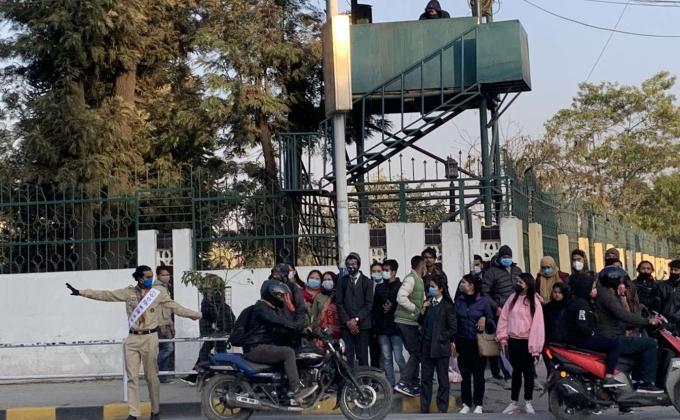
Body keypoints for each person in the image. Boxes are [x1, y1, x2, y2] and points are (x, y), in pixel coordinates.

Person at [66, 265, 202, 420]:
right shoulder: (128, 292)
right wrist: (81, 292)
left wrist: (195, 315)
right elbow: (106, 295)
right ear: (139, 278)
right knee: (132, 378)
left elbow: (176, 307)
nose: (151, 279)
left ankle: (155, 410)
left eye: (151, 276)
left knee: (152, 377)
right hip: (132, 339)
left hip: (150, 338)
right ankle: (134, 413)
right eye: (147, 277)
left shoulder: (158, 293)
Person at [593, 266, 663, 393]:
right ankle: (646, 382)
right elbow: (623, 315)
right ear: (613, 280)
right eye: (620, 280)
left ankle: (635, 380)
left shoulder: (607, 293)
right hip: (612, 337)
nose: (622, 283)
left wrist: (638, 323)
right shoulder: (607, 295)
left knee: (640, 345)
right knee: (650, 344)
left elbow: (617, 319)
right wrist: (648, 321)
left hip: (612, 333)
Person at [243, 281, 316, 402]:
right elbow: (276, 321)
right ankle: (296, 390)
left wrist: (303, 332)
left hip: (261, 346)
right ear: (273, 294)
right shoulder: (261, 307)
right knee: (288, 353)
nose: (282, 298)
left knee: (290, 350)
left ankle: (284, 388)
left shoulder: (270, 308)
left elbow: (280, 327)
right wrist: (294, 325)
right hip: (255, 347)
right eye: (281, 295)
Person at [565, 274, 625, 388]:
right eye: (592, 287)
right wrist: (592, 333)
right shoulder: (581, 303)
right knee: (615, 345)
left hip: (577, 337)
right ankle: (609, 376)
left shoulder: (577, 301)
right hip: (581, 339)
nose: (594, 289)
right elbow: (581, 324)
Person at [496, 273, 544, 415]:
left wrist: (535, 348)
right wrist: (502, 337)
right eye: (517, 281)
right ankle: (514, 402)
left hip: (527, 342)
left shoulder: (535, 302)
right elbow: (504, 318)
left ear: (528, 285)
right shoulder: (512, 298)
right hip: (513, 341)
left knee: (528, 373)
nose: (518, 284)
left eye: (521, 282)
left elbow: (538, 326)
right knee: (516, 372)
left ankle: (528, 402)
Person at [182, 274, 235, 386]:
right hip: (218, 330)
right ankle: (195, 376)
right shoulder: (218, 296)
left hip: (217, 330)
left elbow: (212, 313)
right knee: (211, 352)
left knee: (211, 353)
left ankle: (222, 377)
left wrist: (213, 325)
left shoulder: (212, 298)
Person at [455, 274, 494, 414]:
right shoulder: (458, 301)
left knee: (478, 375)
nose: (461, 284)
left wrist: (485, 319)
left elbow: (491, 320)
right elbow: (454, 321)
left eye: (464, 282)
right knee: (464, 375)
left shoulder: (483, 301)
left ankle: (478, 404)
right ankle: (466, 403)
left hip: (478, 342)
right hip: (462, 342)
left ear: (471, 285)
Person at [482, 244, 520, 383]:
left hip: (517, 312)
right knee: (503, 343)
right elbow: (484, 292)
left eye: (509, 256)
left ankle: (520, 372)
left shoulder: (517, 270)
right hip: (500, 311)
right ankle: (508, 374)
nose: (507, 259)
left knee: (518, 342)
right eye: (504, 256)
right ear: (499, 257)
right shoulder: (491, 272)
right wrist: (495, 307)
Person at [419, 275, 457, 414]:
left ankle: (442, 407)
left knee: (443, 379)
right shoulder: (428, 303)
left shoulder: (447, 305)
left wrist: (441, 337)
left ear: (441, 289)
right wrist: (423, 309)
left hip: (440, 347)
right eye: (430, 286)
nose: (430, 289)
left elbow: (453, 328)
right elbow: (421, 322)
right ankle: (424, 407)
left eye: (433, 286)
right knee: (426, 379)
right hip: (426, 346)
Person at [394, 255, 427, 397]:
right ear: (421, 265)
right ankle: (404, 382)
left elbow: (419, 299)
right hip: (405, 321)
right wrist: (414, 308)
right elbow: (401, 297)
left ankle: (413, 383)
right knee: (416, 352)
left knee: (416, 352)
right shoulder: (411, 279)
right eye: (425, 265)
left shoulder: (419, 280)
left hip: (410, 321)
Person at [336, 252, 374, 367]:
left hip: (363, 326)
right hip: (346, 326)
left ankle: (364, 378)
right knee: (347, 356)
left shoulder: (367, 282)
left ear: (358, 265)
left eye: (353, 264)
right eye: (348, 264)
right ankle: (348, 378)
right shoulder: (342, 281)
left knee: (362, 356)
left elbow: (369, 305)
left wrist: (356, 320)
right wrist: (348, 322)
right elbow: (339, 303)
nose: (351, 266)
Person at [372, 259, 406, 387]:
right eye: (383, 270)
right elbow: (375, 308)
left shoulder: (401, 287)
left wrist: (392, 307)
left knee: (398, 357)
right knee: (386, 358)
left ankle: (405, 381)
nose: (384, 273)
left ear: (394, 272)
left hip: (396, 328)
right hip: (382, 329)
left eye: (386, 270)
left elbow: (403, 305)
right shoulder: (379, 287)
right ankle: (391, 384)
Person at [154, 265, 175, 384]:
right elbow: (156, 309)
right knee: (168, 348)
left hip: (166, 323)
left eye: (167, 274)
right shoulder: (157, 289)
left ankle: (162, 376)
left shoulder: (165, 288)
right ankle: (154, 370)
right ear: (158, 276)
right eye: (163, 275)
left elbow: (167, 309)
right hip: (160, 325)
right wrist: (162, 324)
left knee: (165, 348)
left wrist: (170, 324)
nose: (166, 277)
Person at [309, 271, 341, 339]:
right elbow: (313, 314)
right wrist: (311, 327)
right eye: (325, 280)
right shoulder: (319, 296)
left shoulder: (339, 296)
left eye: (329, 279)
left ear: (334, 281)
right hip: (321, 331)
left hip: (338, 331)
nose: (327, 282)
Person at [655, 260, 680, 336]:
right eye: (671, 269)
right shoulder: (662, 285)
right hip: (664, 321)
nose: (673, 272)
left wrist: (676, 316)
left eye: (676, 270)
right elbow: (657, 303)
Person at [369, 262, 384, 369]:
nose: (376, 273)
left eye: (379, 271)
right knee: (374, 352)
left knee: (385, 353)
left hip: (384, 324)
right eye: (374, 271)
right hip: (371, 323)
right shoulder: (368, 285)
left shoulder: (386, 285)